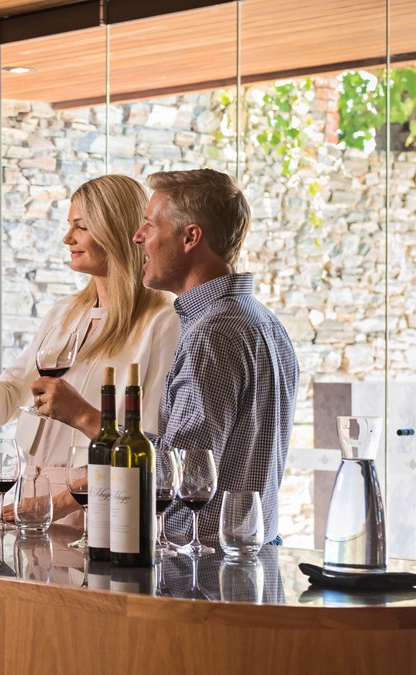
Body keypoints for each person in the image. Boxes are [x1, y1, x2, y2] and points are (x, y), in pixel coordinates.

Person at [0, 175, 180, 525]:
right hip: (34, 495)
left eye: (80, 227)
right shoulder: (64, 313)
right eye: (69, 226)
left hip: (101, 507)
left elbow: (149, 446)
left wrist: (63, 502)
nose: (67, 238)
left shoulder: (162, 321)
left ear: (116, 230)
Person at [132, 168, 299, 544]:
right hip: (247, 556)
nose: (137, 237)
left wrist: (95, 438)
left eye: (150, 225)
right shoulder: (264, 320)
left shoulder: (212, 333)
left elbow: (184, 472)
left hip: (201, 569)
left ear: (191, 237)